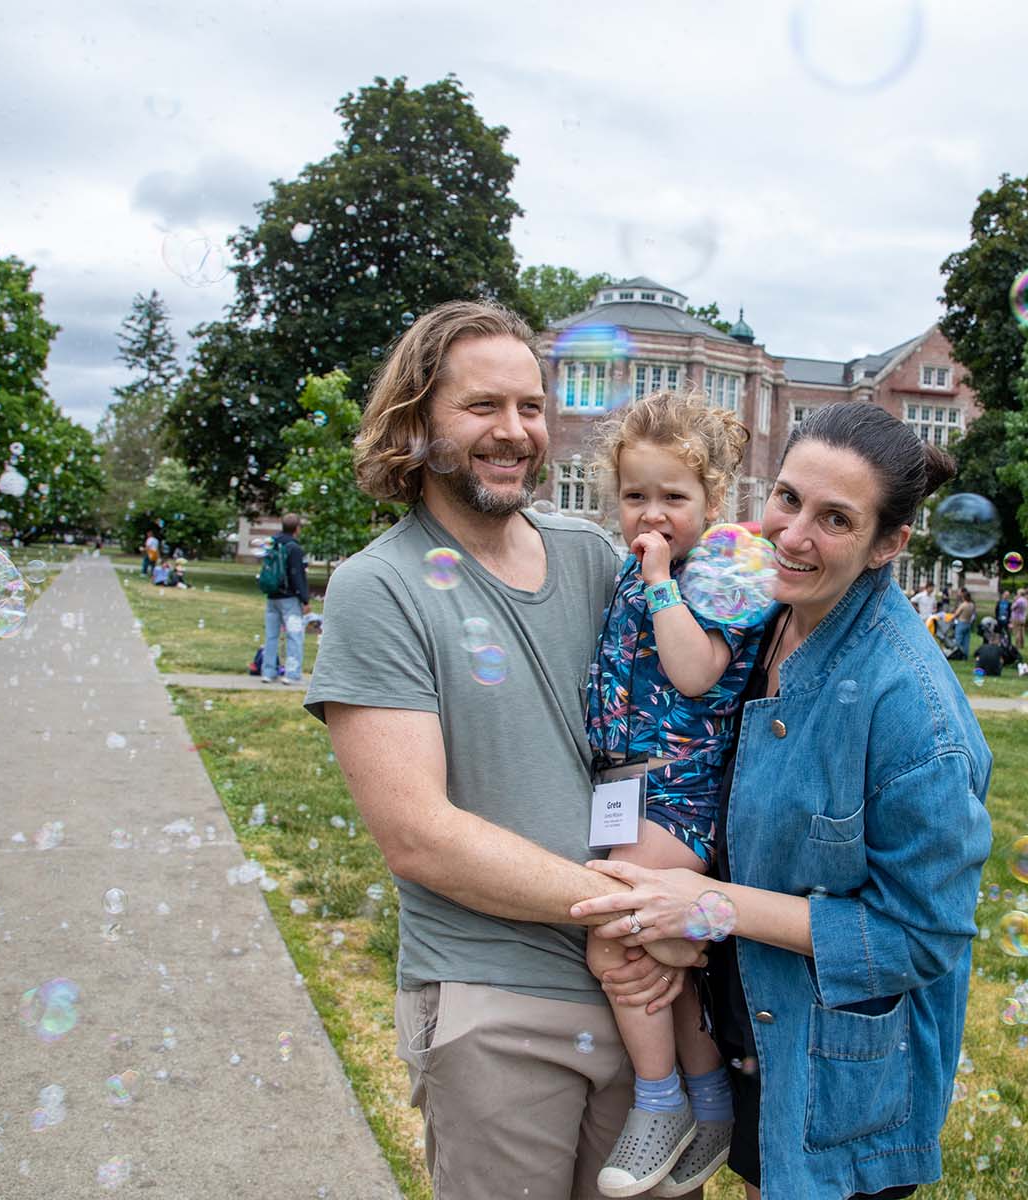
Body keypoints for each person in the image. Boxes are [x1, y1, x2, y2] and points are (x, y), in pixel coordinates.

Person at [306, 301, 697, 1199]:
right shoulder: (381, 587)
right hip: (497, 997)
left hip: (647, 999)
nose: (516, 431)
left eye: (531, 405)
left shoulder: (596, 556)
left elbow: (667, 728)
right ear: (415, 422)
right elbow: (421, 835)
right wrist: (639, 911)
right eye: (483, 407)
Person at [570, 400, 993, 1199]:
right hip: (759, 1032)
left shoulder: (914, 714)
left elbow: (920, 938)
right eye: (789, 499)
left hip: (842, 1084)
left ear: (889, 544)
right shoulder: (768, 613)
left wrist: (708, 906)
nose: (794, 535)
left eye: (836, 519)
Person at [580, 390, 758, 1196]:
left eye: (674, 498)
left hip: (684, 795)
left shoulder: (721, 570)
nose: (652, 514)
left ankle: (659, 1105)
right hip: (632, 794)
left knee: (611, 929)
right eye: (635, 496)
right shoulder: (629, 568)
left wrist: (659, 583)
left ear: (713, 501)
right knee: (661, 952)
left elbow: (694, 672)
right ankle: (711, 1103)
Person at [258, 515, 313, 686]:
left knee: (271, 636)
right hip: (289, 598)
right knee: (294, 636)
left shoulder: (272, 543)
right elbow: (297, 575)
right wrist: (305, 599)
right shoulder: (294, 548)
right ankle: (292, 673)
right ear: (297, 528)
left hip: (272, 596)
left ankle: (268, 672)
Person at [949, 587, 975, 661]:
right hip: (968, 623)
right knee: (966, 641)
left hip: (961, 623)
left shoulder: (963, 605)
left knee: (958, 640)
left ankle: (958, 654)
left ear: (964, 597)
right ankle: (965, 656)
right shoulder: (972, 605)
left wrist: (950, 618)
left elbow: (956, 614)